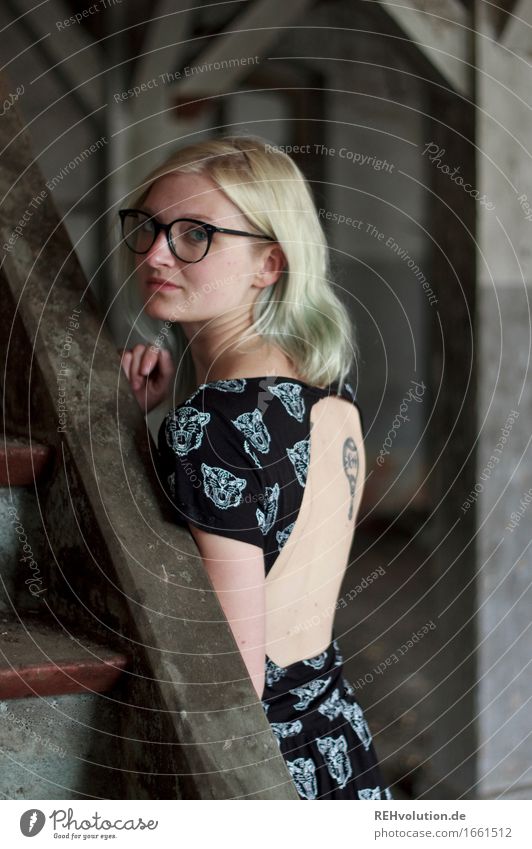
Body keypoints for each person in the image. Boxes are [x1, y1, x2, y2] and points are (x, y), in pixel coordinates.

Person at [118, 134, 393, 800]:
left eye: (195, 235)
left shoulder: (213, 422)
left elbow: (230, 676)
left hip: (262, 764)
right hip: (337, 735)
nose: (156, 253)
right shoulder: (326, 386)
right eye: (150, 228)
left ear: (268, 264)